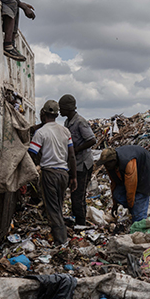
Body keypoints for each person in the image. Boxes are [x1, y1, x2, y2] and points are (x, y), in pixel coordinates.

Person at [28, 100, 77, 244]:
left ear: (43, 113)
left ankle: (61, 241)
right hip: (64, 174)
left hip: (49, 173)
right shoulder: (65, 131)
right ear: (56, 115)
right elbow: (72, 155)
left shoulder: (41, 132)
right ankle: (61, 236)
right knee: (59, 206)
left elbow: (32, 153)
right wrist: (73, 177)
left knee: (53, 208)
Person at [59, 94, 97, 227]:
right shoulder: (67, 122)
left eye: (61, 109)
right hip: (75, 164)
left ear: (67, 109)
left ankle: (81, 224)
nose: (59, 111)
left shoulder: (80, 121)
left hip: (83, 164)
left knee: (78, 196)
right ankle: (77, 220)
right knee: (74, 194)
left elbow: (92, 140)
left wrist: (76, 149)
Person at [100, 145, 150, 223]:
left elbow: (131, 187)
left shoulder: (128, 162)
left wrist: (131, 206)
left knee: (138, 216)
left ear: (113, 161)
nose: (105, 166)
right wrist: (115, 204)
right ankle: (135, 209)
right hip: (130, 175)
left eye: (107, 164)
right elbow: (113, 183)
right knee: (117, 194)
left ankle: (139, 225)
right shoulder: (110, 166)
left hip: (145, 172)